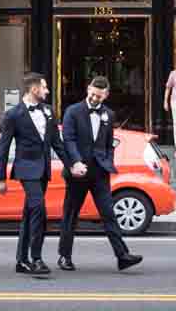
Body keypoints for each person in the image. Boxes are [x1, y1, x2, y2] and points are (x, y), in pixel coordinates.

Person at [57, 75, 143, 273]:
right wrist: (76, 162)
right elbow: (68, 140)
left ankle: (122, 256)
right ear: (88, 89)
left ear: (106, 95)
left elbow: (108, 143)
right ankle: (65, 256)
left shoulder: (109, 115)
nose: (95, 99)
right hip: (77, 172)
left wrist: (108, 161)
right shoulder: (73, 111)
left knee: (109, 214)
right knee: (70, 215)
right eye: (93, 94)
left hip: (99, 173)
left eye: (100, 96)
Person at [0, 71, 73, 279]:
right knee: (39, 209)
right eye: (45, 87)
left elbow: (57, 143)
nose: (47, 91)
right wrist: (0, 177)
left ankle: (21, 260)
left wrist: (71, 166)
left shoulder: (49, 111)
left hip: (43, 169)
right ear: (34, 89)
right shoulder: (13, 115)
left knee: (29, 214)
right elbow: (3, 147)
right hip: (25, 168)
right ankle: (36, 258)